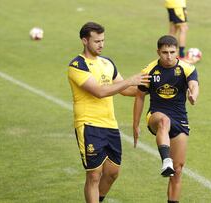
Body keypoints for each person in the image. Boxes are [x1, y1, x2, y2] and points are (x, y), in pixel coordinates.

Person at [67, 22, 150, 203]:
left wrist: (151, 87)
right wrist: (129, 80)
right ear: (84, 41)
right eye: (96, 41)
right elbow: (100, 92)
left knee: (112, 173)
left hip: (110, 125)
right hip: (88, 125)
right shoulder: (77, 65)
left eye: (103, 40)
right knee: (94, 175)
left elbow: (125, 90)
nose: (101, 44)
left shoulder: (107, 63)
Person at [133, 35, 199, 203]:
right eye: (164, 52)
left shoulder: (187, 68)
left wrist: (193, 96)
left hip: (180, 118)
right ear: (158, 52)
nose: (169, 56)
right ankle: (165, 160)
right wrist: (135, 125)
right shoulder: (149, 70)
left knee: (177, 171)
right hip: (156, 114)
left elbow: (194, 85)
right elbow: (140, 97)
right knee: (164, 122)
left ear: (177, 51)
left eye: (172, 52)